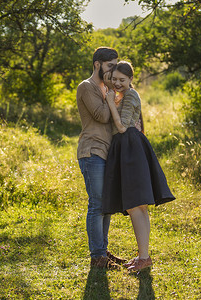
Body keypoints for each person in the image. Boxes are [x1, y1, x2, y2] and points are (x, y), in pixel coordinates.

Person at [102, 61, 176, 271]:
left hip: (129, 147)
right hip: (126, 147)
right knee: (137, 206)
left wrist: (110, 102)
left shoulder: (131, 95)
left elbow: (123, 127)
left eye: (122, 80)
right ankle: (143, 256)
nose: (117, 83)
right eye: (114, 79)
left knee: (135, 205)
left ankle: (144, 258)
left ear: (131, 79)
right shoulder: (122, 95)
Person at [76, 47, 126, 269]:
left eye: (116, 65)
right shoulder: (86, 87)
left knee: (106, 205)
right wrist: (110, 97)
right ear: (97, 64)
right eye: (110, 66)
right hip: (91, 151)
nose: (113, 70)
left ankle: (102, 251)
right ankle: (97, 257)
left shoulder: (106, 88)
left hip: (107, 152)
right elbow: (103, 115)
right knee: (97, 204)